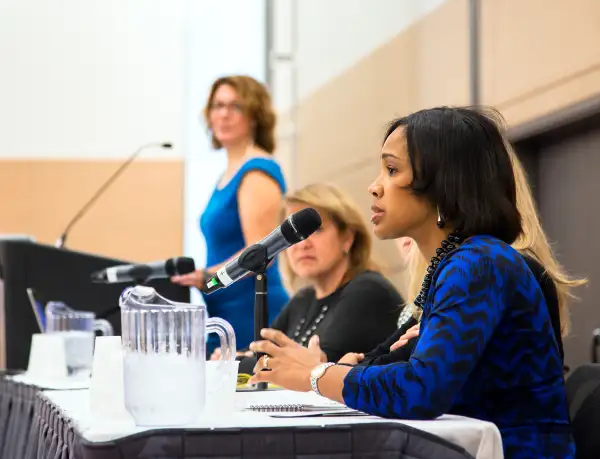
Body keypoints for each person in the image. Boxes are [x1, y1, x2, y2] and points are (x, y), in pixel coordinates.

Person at [248, 107, 575, 459]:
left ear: (442, 182)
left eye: (391, 170)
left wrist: (315, 374)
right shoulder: (459, 262)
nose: (374, 187)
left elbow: (420, 389)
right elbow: (385, 367)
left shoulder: (478, 264)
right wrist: (335, 371)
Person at [353, 140, 586, 368]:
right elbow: (387, 359)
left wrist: (323, 375)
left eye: (393, 171)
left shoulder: (489, 269)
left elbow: (415, 380)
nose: (375, 187)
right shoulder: (447, 273)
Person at [228, 183, 402, 372]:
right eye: (292, 236)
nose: (302, 244)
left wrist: (234, 362)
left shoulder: (368, 291)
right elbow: (254, 353)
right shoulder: (303, 299)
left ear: (347, 238)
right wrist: (237, 360)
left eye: (316, 230)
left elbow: (309, 369)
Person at [171, 75, 289, 354]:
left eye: (235, 106)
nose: (223, 114)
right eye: (217, 105)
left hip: (251, 309)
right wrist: (208, 281)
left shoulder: (257, 170)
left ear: (254, 115)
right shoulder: (228, 173)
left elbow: (261, 253)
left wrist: (208, 277)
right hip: (222, 306)